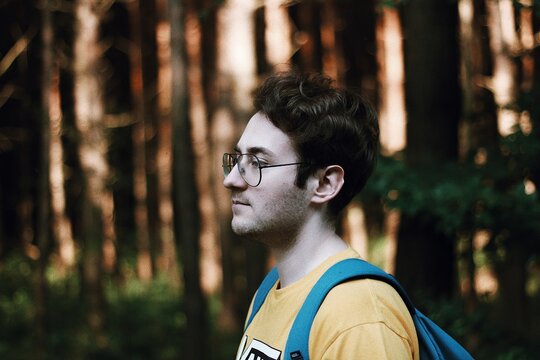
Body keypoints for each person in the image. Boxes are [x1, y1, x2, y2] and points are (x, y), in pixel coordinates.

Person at [223, 70, 419, 360]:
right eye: (238, 159)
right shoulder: (269, 291)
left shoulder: (358, 317)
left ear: (325, 184)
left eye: (258, 163)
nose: (232, 181)